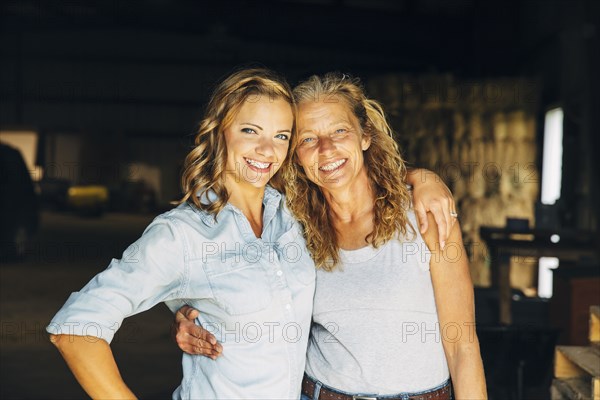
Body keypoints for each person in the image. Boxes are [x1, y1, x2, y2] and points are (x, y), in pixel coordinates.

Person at [175, 73, 487, 399]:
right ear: (295, 155)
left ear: (365, 136)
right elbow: (237, 288)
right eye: (308, 139)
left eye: (340, 131)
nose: (326, 149)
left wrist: (423, 177)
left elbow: (462, 346)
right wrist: (190, 319)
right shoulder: (291, 228)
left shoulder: (424, 216)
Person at [46, 68, 316, 399]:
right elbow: (74, 330)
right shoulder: (182, 234)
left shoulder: (292, 216)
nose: (266, 149)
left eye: (281, 136)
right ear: (220, 132)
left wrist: (181, 313)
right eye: (250, 130)